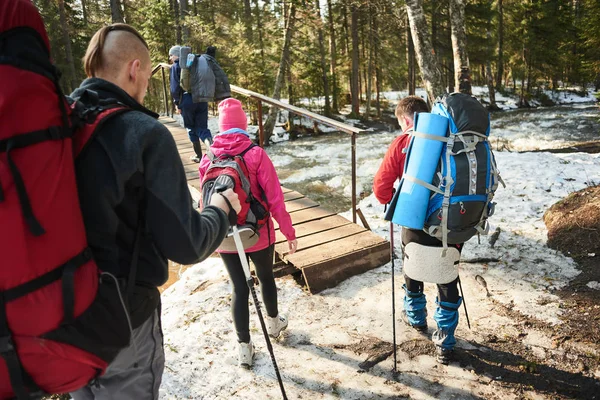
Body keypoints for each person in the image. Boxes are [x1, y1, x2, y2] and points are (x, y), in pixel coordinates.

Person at [70, 24, 241, 399]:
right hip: (122, 318)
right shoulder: (144, 134)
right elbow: (188, 245)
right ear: (135, 69)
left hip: (63, 314)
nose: (147, 84)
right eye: (148, 75)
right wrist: (220, 209)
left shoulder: (59, 122)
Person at [199, 98, 298, 368]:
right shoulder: (256, 154)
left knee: (238, 288)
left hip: (224, 234)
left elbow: (204, 198)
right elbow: (276, 199)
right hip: (257, 233)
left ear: (222, 127)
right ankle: (275, 325)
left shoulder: (208, 157)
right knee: (266, 279)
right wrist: (289, 232)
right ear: (243, 125)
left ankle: (244, 348)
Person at [373, 95, 463, 365]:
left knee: (414, 267)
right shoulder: (451, 141)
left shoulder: (404, 141)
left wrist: (390, 196)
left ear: (406, 119)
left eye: (400, 122)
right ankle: (445, 340)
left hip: (417, 219)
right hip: (454, 220)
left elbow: (380, 188)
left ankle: (416, 319)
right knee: (447, 274)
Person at [169, 45, 212, 163]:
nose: (170, 58)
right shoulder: (196, 63)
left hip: (187, 100)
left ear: (177, 55)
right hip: (202, 98)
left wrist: (177, 103)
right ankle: (213, 152)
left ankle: (198, 155)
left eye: (171, 55)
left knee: (191, 127)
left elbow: (174, 89)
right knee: (202, 128)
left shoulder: (176, 66)